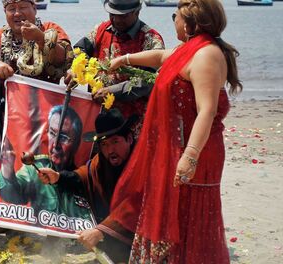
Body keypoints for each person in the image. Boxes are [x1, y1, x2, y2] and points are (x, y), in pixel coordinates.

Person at [107, 0, 242, 261]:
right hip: (176, 148)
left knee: (190, 215)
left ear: (191, 23)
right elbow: (159, 57)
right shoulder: (188, 50)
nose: (174, 22)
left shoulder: (207, 55)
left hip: (197, 151)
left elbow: (207, 110)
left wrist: (189, 156)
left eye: (175, 16)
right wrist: (122, 59)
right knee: (171, 209)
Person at [37, 109, 137, 262]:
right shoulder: (102, 161)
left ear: (129, 139)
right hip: (115, 235)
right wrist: (58, 177)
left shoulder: (142, 161)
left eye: (115, 141)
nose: (110, 150)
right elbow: (83, 176)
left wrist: (99, 231)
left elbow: (136, 204)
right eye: (104, 144)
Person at [69, 0, 164, 136]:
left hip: (134, 125)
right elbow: (80, 50)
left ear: (137, 12)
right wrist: (76, 70)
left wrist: (111, 91)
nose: (117, 20)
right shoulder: (101, 30)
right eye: (112, 15)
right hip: (100, 120)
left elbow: (146, 82)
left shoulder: (151, 40)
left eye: (123, 16)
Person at [0, 105, 89, 219]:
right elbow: (14, 196)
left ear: (76, 144)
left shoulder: (85, 177)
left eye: (63, 137)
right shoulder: (35, 168)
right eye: (52, 133)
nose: (55, 145)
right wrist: (8, 170)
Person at [0, 0, 72, 83]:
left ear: (34, 9)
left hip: (47, 99)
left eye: (23, 7)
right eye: (12, 9)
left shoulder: (50, 29)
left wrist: (40, 38)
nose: (17, 13)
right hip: (9, 99)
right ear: (5, 12)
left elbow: (63, 58)